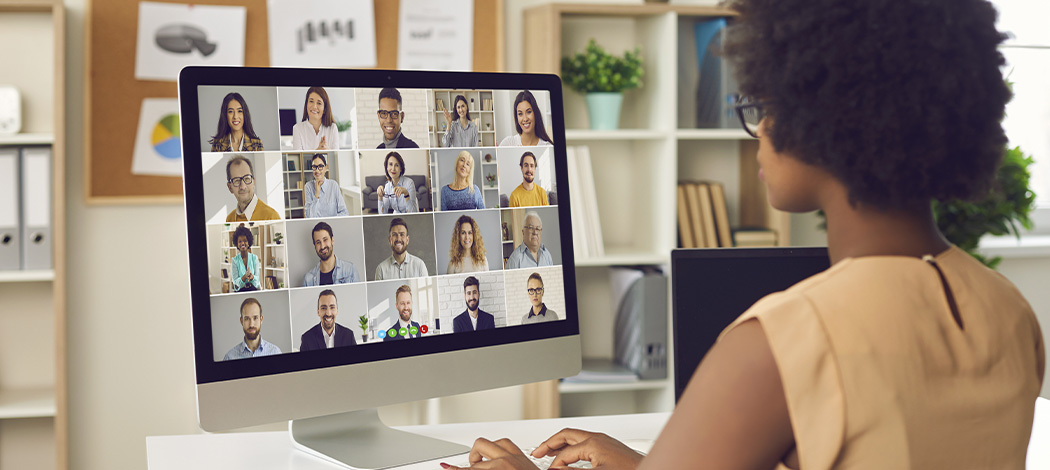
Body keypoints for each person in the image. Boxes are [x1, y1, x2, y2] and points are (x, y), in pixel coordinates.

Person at [448, 0, 1045, 469]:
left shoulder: (786, 339)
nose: (756, 128)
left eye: (766, 104)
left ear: (826, 117)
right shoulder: (1008, 310)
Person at [224, 155, 280, 222]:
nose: (243, 186)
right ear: (230, 187)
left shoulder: (271, 217)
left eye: (247, 178)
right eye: (237, 180)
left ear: (253, 182)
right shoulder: (229, 219)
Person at [303, 222, 360, 286]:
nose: (322, 246)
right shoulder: (308, 279)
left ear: (332, 240)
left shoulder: (350, 270)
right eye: (318, 242)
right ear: (315, 246)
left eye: (325, 240)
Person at [291, 86, 340, 151]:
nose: (314, 106)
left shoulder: (333, 128)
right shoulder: (297, 129)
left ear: (324, 109)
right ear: (306, 104)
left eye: (319, 103)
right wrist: (317, 152)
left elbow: (337, 158)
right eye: (311, 101)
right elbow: (298, 160)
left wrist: (328, 151)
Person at [303, 154, 349, 218]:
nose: (317, 170)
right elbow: (309, 216)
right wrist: (316, 194)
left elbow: (344, 213)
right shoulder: (308, 186)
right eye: (314, 167)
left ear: (325, 168)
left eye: (320, 166)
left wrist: (330, 220)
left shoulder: (333, 185)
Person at [229, 225, 261, 292]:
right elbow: (235, 282)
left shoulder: (254, 258)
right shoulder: (234, 260)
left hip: (253, 290)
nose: (242, 243)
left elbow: (257, 279)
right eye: (240, 241)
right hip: (240, 291)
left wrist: (252, 277)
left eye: (245, 240)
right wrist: (244, 277)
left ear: (249, 242)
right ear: (237, 244)